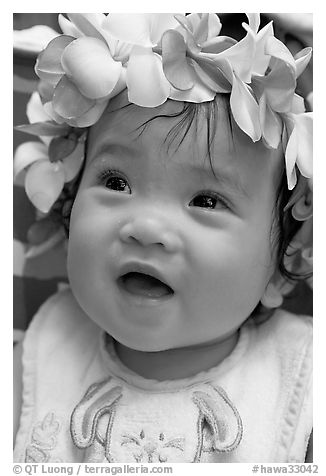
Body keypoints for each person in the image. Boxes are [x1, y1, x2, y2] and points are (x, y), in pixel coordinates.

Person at [13, 13, 313, 463]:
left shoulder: (305, 377)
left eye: (207, 201)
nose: (147, 228)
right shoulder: (37, 356)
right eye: (115, 182)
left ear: (281, 271)